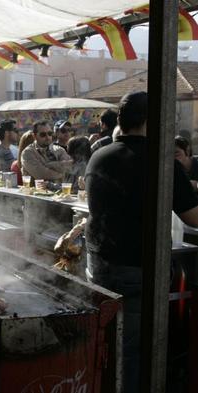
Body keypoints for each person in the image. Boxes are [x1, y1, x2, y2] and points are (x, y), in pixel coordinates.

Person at [85, 91, 198, 393]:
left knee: (108, 344)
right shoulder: (159, 162)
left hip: (99, 264)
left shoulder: (100, 155)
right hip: (136, 270)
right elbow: (193, 218)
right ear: (152, 120)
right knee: (131, 353)